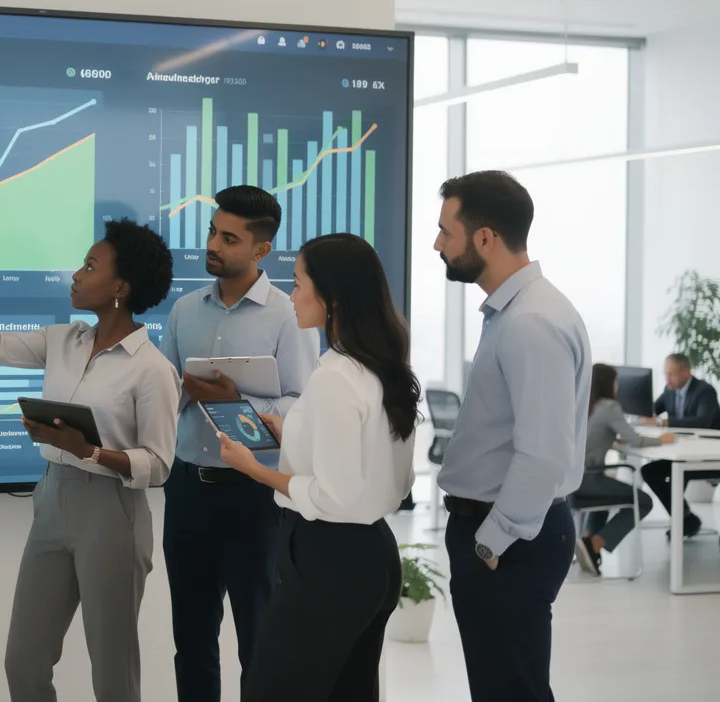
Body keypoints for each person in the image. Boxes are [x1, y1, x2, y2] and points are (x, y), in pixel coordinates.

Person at [0, 210, 180, 702]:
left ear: (121, 285)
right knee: (24, 662)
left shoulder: (153, 369)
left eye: (90, 266)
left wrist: (93, 451)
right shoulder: (64, 340)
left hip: (111, 513)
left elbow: (159, 465)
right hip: (51, 499)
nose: (76, 275)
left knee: (113, 673)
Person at [216, 233, 418, 701]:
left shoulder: (333, 378)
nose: (291, 294)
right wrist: (294, 435)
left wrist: (253, 467)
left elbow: (332, 496)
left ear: (332, 298)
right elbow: (376, 468)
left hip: (328, 561)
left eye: (299, 283)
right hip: (374, 558)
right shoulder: (380, 367)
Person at [157, 185, 318, 701]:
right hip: (187, 493)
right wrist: (174, 391)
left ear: (260, 250)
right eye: (213, 232)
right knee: (192, 642)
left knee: (260, 641)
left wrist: (236, 402)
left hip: (254, 498)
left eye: (229, 238)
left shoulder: (287, 315)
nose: (215, 245)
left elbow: (303, 405)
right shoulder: (185, 310)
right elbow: (161, 392)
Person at [434, 170, 590, 702]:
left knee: (511, 690)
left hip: (509, 539)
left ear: (484, 238)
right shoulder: (517, 312)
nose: (437, 245)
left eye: (445, 233)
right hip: (506, 532)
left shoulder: (530, 323)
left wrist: (490, 541)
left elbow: (544, 454)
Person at [572, 364, 669, 576]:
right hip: (588, 480)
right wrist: (661, 439)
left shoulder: (583, 403)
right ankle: (594, 544)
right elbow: (636, 440)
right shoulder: (609, 407)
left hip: (570, 483)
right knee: (643, 501)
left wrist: (613, 436)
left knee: (608, 498)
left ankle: (586, 541)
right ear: (610, 384)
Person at [639, 353, 720, 537]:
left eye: (671, 374)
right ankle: (686, 519)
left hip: (707, 458)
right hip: (682, 455)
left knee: (675, 473)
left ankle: (686, 521)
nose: (667, 378)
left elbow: (702, 422)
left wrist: (663, 423)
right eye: (666, 374)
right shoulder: (670, 390)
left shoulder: (705, 391)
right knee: (650, 471)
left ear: (686, 372)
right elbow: (652, 409)